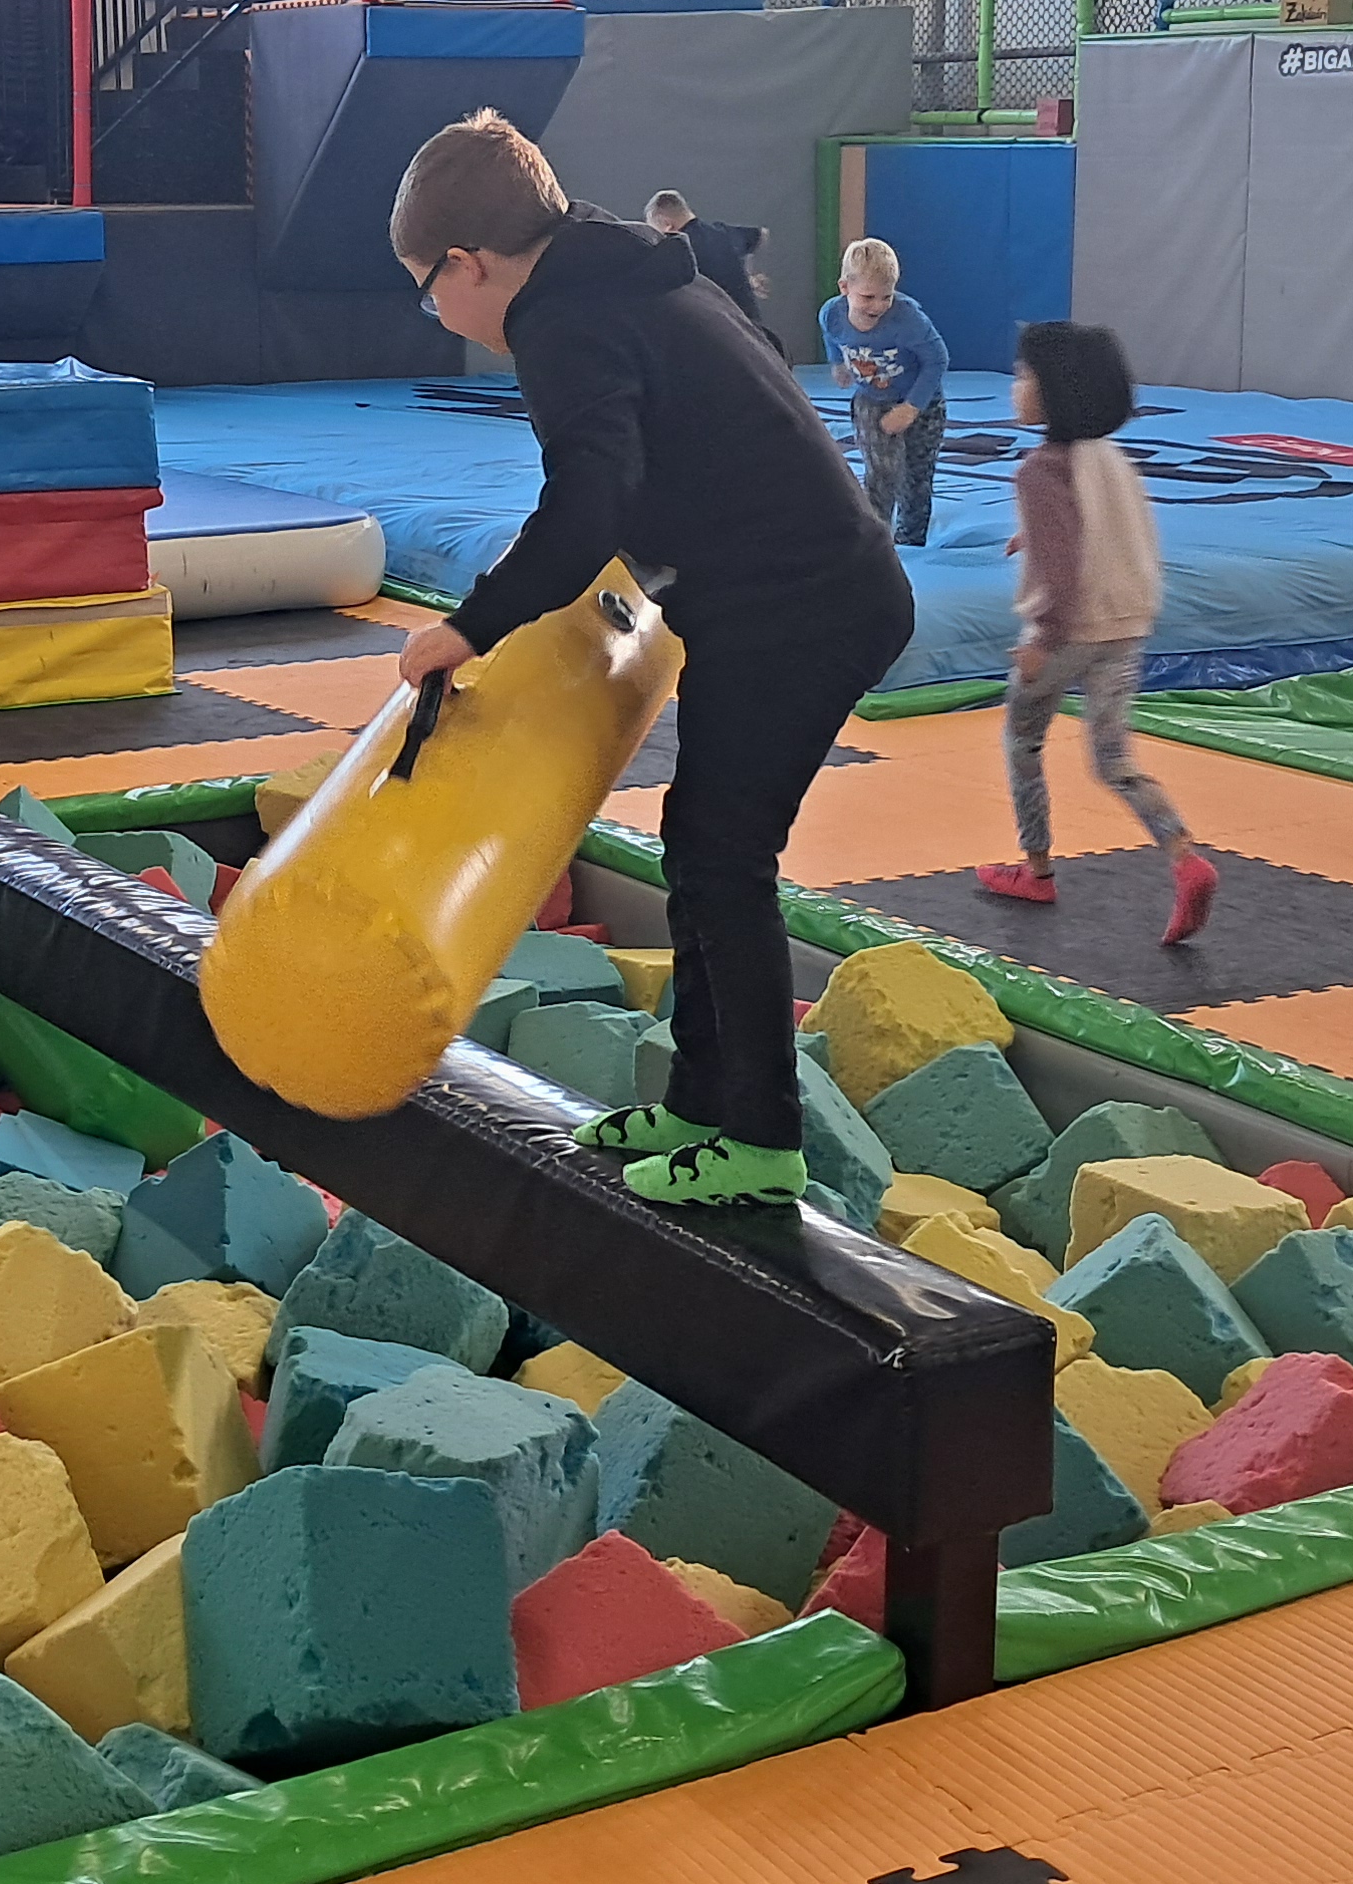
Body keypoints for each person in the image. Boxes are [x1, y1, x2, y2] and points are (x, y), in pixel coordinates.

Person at [394, 112, 911, 1208]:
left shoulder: (563, 322)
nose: (437, 314)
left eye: (426, 291)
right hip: (790, 590)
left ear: (467, 263)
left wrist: (470, 626)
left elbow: (587, 503)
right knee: (699, 842)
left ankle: (762, 1142)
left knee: (725, 858)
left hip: (802, 605)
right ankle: (702, 1099)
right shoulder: (620, 271)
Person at [977, 320, 1216, 944]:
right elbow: (1105, 529)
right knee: (1114, 760)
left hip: (1068, 630)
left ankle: (1036, 869)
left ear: (1053, 389)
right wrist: (1032, 535)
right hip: (1127, 627)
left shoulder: (1041, 470)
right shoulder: (1112, 460)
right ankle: (1183, 855)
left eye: (1024, 375)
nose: (1015, 386)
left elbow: (1061, 568)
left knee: (1023, 741)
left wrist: (1042, 639)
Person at [819, 237, 949, 548]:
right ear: (844, 288)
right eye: (868, 297)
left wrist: (911, 407)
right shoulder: (832, 314)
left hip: (921, 403)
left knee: (916, 475)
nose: (877, 306)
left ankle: (911, 538)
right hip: (871, 400)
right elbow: (831, 336)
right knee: (880, 472)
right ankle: (874, 542)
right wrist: (837, 363)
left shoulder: (908, 320)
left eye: (886, 297)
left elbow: (937, 359)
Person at [645, 190, 778, 344]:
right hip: (758, 336)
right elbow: (761, 235)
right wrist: (754, 273)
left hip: (726, 339)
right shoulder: (723, 233)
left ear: (667, 225)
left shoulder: (678, 250)